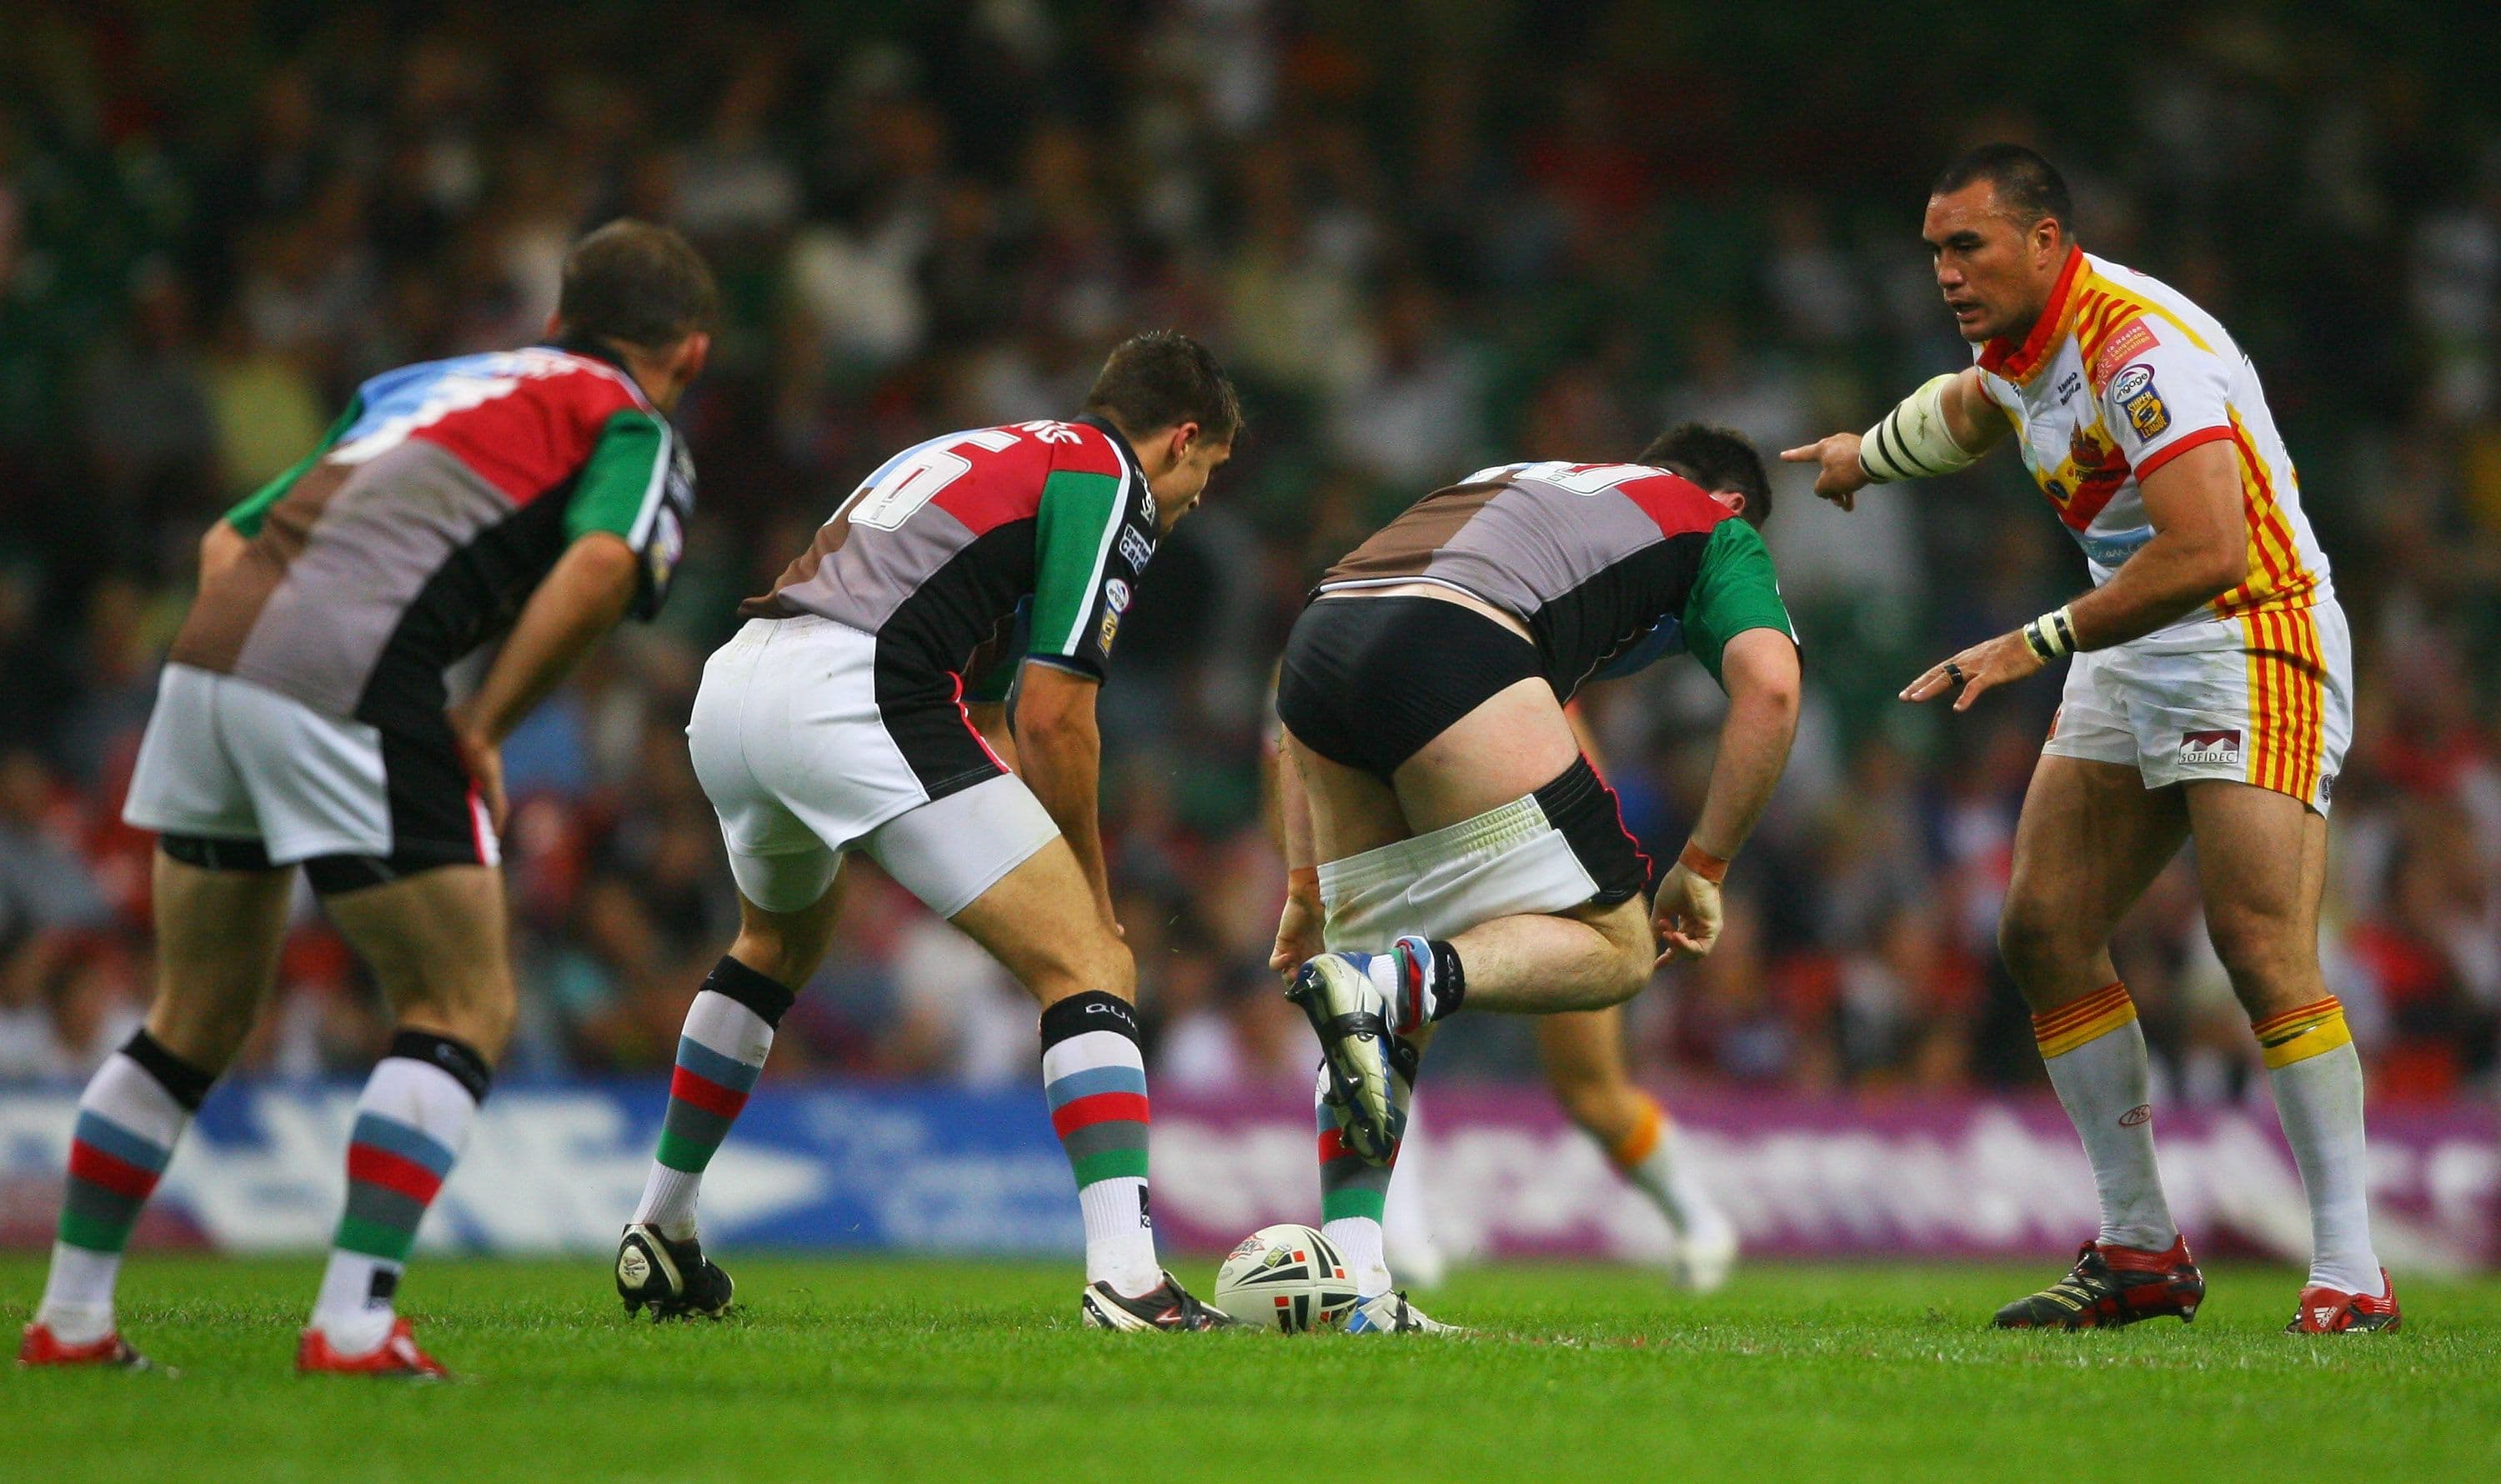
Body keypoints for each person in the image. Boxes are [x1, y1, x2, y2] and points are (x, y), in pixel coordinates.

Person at [19, 221, 715, 1376]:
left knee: (192, 1014)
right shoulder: (626, 424)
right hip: (351, 662)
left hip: (209, 654)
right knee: (460, 1000)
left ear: (554, 323)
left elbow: (223, 540)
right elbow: (600, 566)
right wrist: (484, 723)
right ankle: (352, 1322)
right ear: (688, 355)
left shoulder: (421, 382)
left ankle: (73, 1319)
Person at [1782, 144, 2394, 1333]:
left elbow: (2212, 548)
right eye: (1935, 252)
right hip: (2133, 639)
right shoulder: (2021, 345)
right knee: (2045, 928)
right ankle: (2139, 1251)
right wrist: (1867, 454)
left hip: (2247, 631)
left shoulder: (2136, 348)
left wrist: (2038, 640)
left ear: (2047, 242)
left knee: (2258, 944)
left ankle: (2352, 1272)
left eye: (1969, 246)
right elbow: (1973, 406)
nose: (1947, 273)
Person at [615, 331, 1241, 1331]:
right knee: (1087, 964)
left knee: (775, 944)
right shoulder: (1108, 475)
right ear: (1181, 437)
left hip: (736, 686)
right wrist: (1093, 894)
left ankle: (664, 1225)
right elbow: (1053, 715)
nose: (1200, 495)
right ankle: (1128, 1279)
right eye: (1208, 469)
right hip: (853, 692)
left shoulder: (991, 449)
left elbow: (988, 674)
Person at [1270, 424, 1801, 1331]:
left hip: (1317, 645)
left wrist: (1304, 886)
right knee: (1621, 943)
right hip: (1452, 642)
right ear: (1734, 503)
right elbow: (1773, 687)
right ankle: (1403, 978)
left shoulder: (1511, 478)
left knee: (1371, 1032)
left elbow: (1345, 654)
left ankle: (1357, 1284)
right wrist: (1704, 864)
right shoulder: (1713, 526)